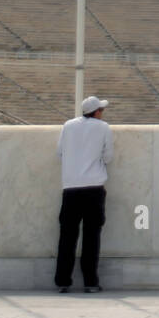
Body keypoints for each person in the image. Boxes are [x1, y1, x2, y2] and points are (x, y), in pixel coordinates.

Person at [55, 94, 113, 293]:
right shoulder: (103, 127)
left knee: (67, 237)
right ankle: (90, 281)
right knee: (91, 237)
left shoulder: (68, 125)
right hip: (93, 188)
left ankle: (63, 280)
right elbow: (108, 156)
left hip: (70, 188)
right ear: (97, 112)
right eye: (102, 110)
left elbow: (60, 152)